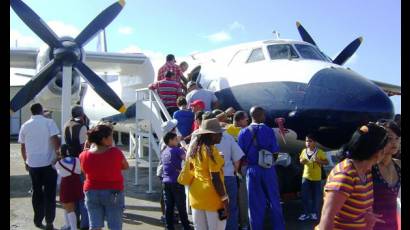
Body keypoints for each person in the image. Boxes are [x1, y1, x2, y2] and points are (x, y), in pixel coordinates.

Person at [317, 122, 389, 230]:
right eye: (385, 149)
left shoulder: (366, 171)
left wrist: (366, 216)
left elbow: (355, 208)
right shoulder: (345, 176)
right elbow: (326, 219)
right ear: (377, 152)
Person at [237, 106, 285, 230]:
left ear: (251, 116)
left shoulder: (243, 132)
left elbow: (240, 154)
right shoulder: (269, 131)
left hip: (252, 169)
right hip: (268, 169)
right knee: (275, 202)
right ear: (262, 116)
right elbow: (275, 151)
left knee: (254, 204)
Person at [18, 103, 60, 230]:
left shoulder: (25, 125)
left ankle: (37, 220)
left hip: (33, 164)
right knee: (50, 194)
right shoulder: (49, 122)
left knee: (36, 192)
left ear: (31, 112)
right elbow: (55, 140)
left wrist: (26, 161)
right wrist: (58, 155)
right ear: (41, 111)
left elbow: (22, 146)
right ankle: (49, 222)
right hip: (49, 164)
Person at [79, 124, 129, 230]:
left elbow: (84, 171)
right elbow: (125, 166)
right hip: (113, 192)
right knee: (115, 225)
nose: (112, 138)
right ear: (104, 139)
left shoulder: (83, 155)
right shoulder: (115, 152)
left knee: (95, 225)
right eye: (111, 136)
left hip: (91, 191)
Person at [187, 118, 228, 230]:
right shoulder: (212, 151)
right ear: (212, 135)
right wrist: (224, 198)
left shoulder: (195, 148)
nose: (221, 136)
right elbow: (215, 178)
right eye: (220, 134)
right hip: (212, 196)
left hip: (196, 195)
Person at [214, 118, 245, 230]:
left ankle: (221, 227)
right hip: (229, 176)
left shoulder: (206, 139)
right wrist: (235, 171)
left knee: (219, 206)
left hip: (214, 177)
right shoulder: (228, 137)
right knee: (231, 206)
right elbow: (237, 158)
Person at [64, 105, 90, 229]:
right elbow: (83, 147)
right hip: (79, 163)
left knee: (73, 194)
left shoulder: (66, 124)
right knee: (82, 195)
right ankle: (85, 223)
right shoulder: (82, 127)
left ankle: (75, 222)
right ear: (82, 114)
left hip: (69, 163)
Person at [372, 120, 401, 230]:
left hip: (395, 223)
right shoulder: (370, 166)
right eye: (389, 138)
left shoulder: (399, 165)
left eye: (397, 138)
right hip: (373, 225)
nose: (394, 142)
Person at [161, 132, 192, 230]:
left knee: (169, 207)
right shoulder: (177, 150)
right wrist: (184, 147)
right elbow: (188, 159)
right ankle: (186, 226)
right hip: (176, 181)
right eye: (175, 139)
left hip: (166, 181)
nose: (177, 141)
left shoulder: (164, 151)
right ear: (170, 140)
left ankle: (169, 226)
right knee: (181, 206)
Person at [298, 134, 329, 221]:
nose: (308, 143)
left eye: (310, 141)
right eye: (307, 141)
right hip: (306, 176)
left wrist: (319, 161)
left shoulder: (320, 152)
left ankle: (314, 213)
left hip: (316, 178)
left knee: (316, 196)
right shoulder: (304, 151)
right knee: (304, 196)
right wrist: (302, 161)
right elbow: (301, 160)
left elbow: (326, 162)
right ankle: (305, 213)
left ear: (314, 143)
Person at [55, 144, 84, 230]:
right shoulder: (77, 159)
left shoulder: (59, 163)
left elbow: (59, 173)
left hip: (66, 185)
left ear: (61, 152)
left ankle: (73, 228)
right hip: (77, 183)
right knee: (69, 206)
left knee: (68, 207)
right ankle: (68, 225)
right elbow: (81, 170)